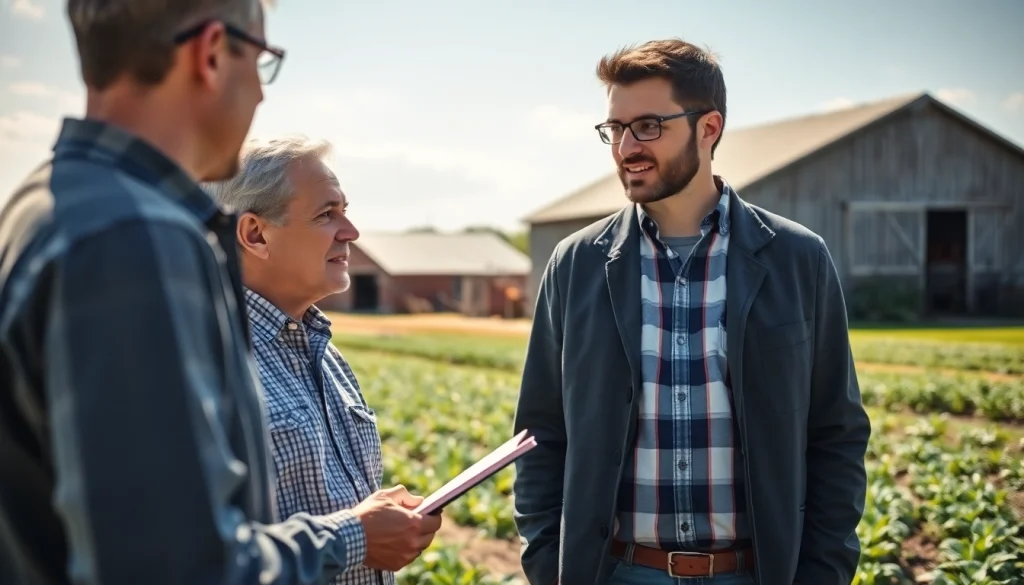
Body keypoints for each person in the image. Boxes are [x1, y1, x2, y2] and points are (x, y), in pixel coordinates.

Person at [0, 2, 438, 585]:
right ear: (211, 53)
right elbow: (176, 565)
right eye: (261, 61)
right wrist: (351, 537)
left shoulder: (47, 203)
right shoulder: (134, 237)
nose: (259, 93)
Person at [511, 38, 871, 585]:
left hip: (755, 573)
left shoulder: (799, 258)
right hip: (620, 573)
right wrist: (547, 563)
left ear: (709, 129)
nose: (626, 146)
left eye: (649, 126)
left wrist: (823, 571)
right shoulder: (575, 265)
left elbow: (836, 433)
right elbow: (540, 434)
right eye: (616, 128)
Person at [202, 136, 440, 585]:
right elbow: (202, 557)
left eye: (345, 211)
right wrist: (356, 535)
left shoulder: (325, 354)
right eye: (326, 214)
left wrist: (379, 519)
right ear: (255, 234)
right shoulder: (211, 365)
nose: (350, 232)